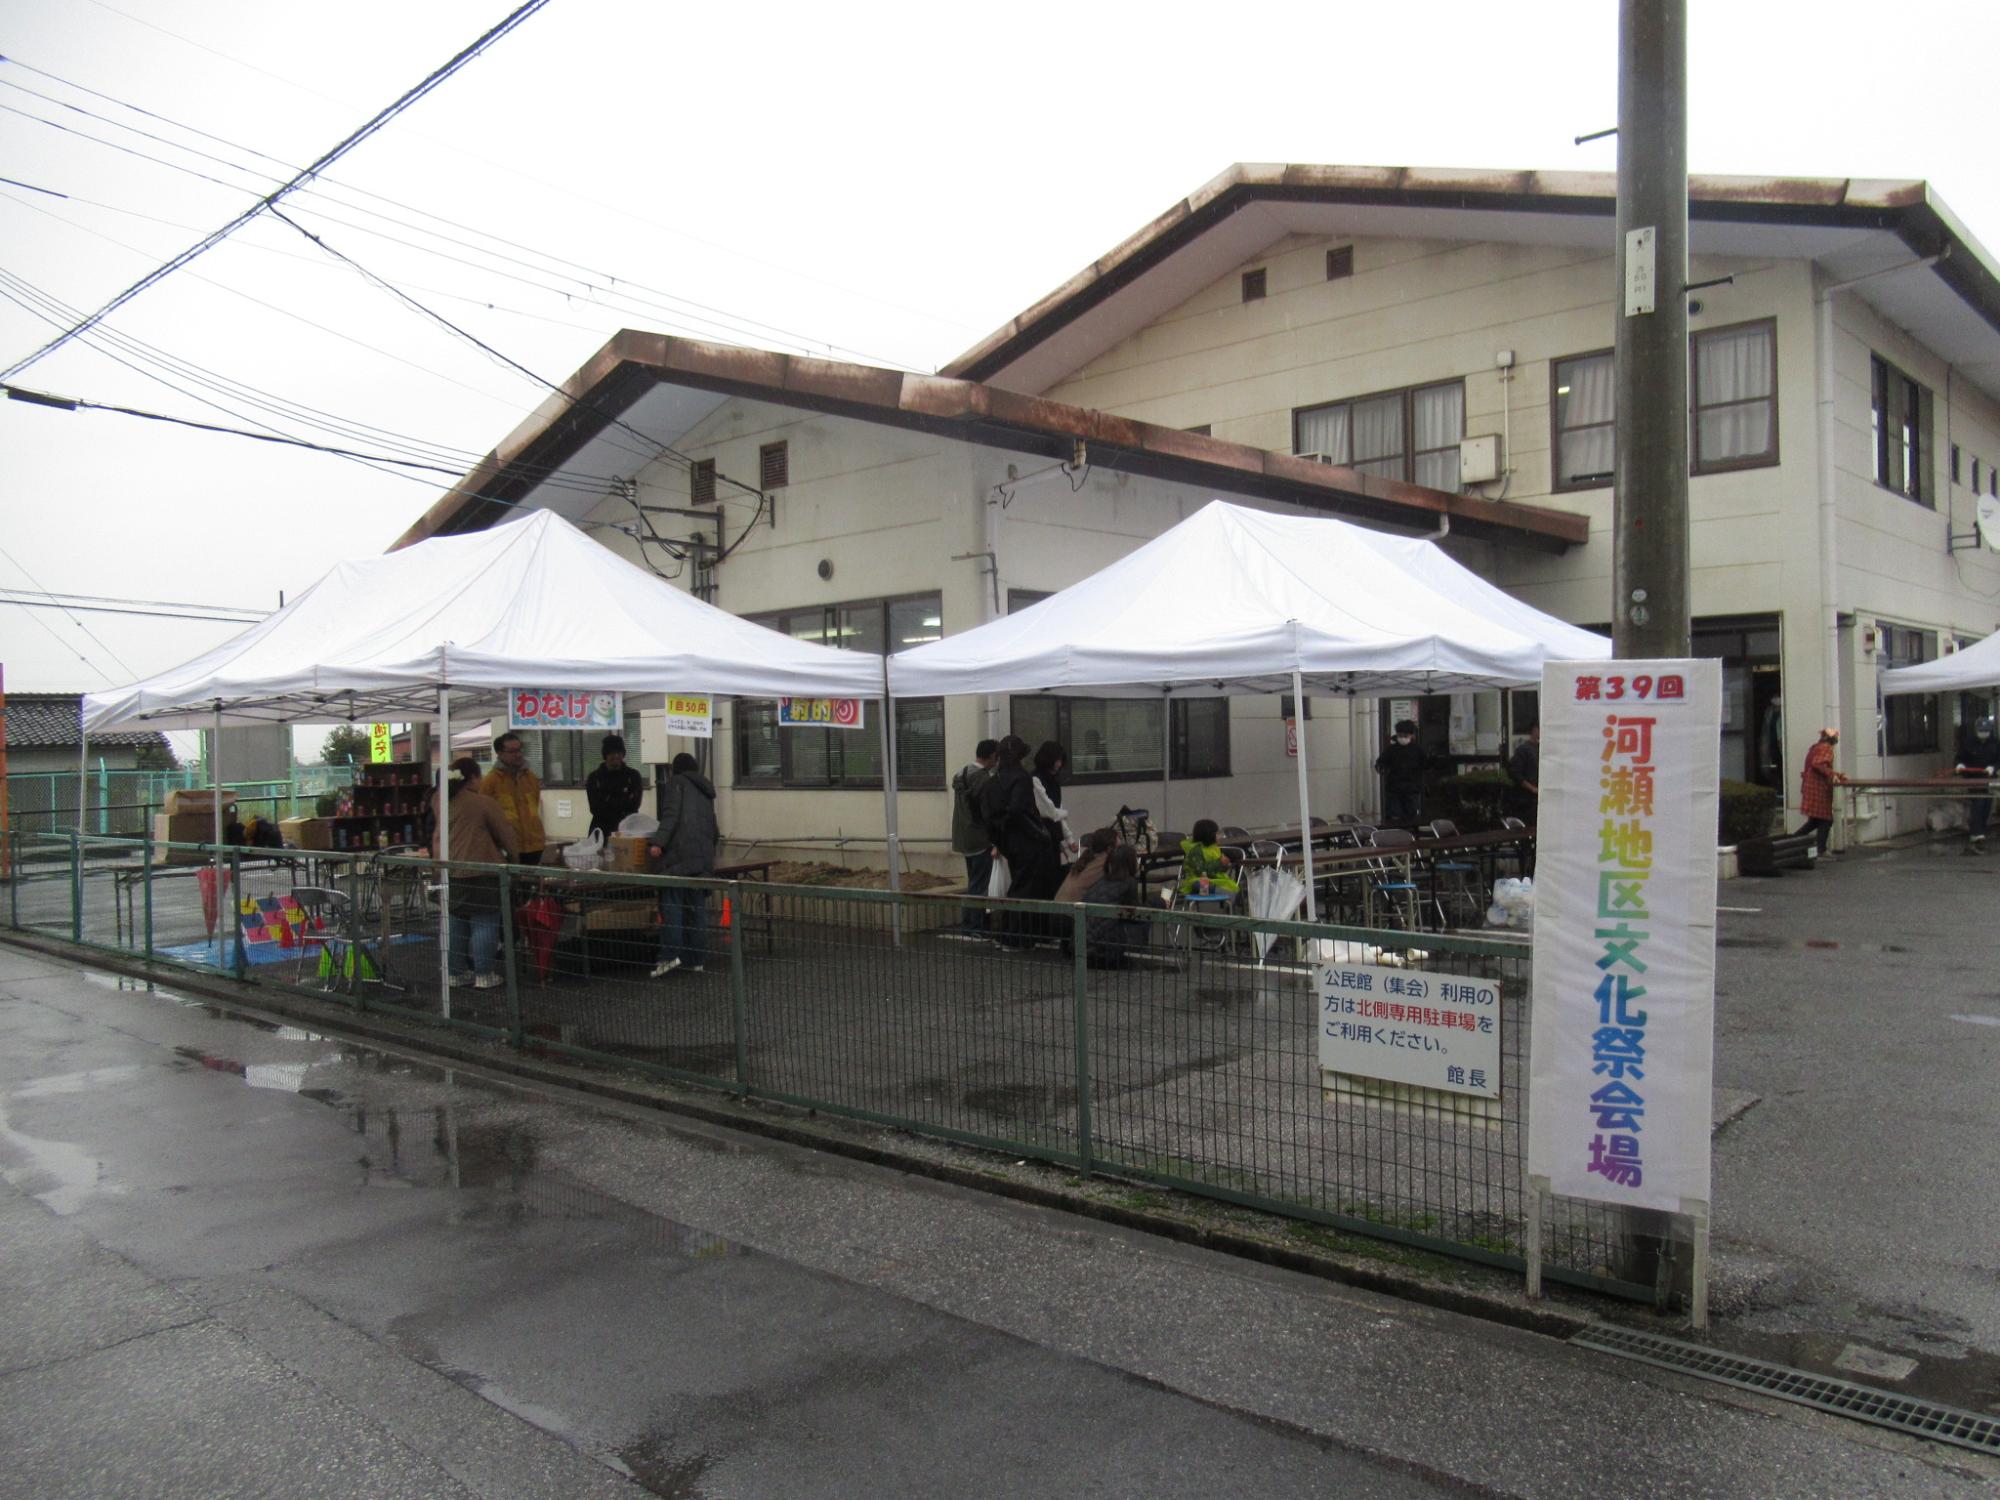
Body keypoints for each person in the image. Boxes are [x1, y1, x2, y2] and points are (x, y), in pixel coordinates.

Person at [438, 757, 518, 989]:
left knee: (457, 922)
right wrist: (515, 862)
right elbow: (507, 837)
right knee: (485, 922)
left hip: (452, 870)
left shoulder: (445, 802)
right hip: (483, 870)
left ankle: (455, 973)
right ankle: (484, 974)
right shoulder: (483, 803)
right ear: (473, 778)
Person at [979, 736, 1055, 947]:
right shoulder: (1021, 778)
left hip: (1007, 842)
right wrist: (1037, 833)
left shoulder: (992, 782)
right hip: (1027, 841)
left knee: (1019, 885)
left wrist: (999, 839)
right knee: (1025, 889)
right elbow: (1019, 809)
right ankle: (1015, 936)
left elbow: (986, 815)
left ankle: (1011, 934)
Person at [648, 752, 719, 976]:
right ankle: (697, 959)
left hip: (679, 857)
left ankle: (669, 957)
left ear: (675, 769)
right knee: (696, 909)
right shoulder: (705, 790)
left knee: (672, 907)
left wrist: (658, 843)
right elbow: (714, 828)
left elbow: (671, 816)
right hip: (702, 858)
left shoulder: (676, 784)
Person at [951, 738, 1000, 935]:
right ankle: (974, 927)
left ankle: (969, 924)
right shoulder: (983, 779)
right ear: (992, 756)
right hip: (980, 838)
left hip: (964, 836)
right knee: (979, 885)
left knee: (973, 882)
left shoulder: (961, 773)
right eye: (997, 757)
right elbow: (988, 812)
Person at [480, 733, 546, 866]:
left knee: (530, 884)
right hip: (508, 846)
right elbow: (484, 814)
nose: (519, 754)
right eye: (512, 751)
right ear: (499, 753)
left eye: (520, 749)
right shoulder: (491, 781)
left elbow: (535, 804)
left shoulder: (531, 778)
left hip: (535, 844)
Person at [1083, 844, 1146, 968]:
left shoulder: (1100, 882)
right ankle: (1140, 948)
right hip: (1106, 952)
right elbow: (1134, 915)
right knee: (1146, 917)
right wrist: (1157, 904)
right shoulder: (1129, 883)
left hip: (1082, 949)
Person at [585, 734, 647, 838]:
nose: (616, 756)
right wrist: (623, 799)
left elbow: (634, 805)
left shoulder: (633, 776)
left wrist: (608, 800)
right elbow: (595, 808)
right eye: (612, 753)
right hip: (601, 832)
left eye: (619, 752)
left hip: (627, 830)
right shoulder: (594, 778)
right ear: (605, 755)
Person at [1953, 715, 1999, 854]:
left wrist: (1993, 767)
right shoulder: (1969, 743)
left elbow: (1999, 759)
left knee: (1986, 805)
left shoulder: (1995, 743)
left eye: (1986, 731)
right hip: (1973, 778)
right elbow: (1960, 758)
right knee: (1978, 803)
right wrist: (1959, 765)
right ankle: (1976, 835)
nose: (1983, 734)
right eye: (1981, 731)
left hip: (1989, 778)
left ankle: (1980, 833)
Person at [1795, 726, 1842, 857]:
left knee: (1816, 821)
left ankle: (1794, 839)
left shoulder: (1815, 747)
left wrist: (1835, 774)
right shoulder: (1826, 748)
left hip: (1809, 786)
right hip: (1818, 788)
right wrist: (1832, 775)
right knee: (1826, 820)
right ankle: (1821, 850)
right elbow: (1818, 764)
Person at [1374, 719, 1428, 825]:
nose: (1402, 738)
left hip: (1412, 789)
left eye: (1405, 735)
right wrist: (1381, 768)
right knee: (1394, 816)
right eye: (1400, 735)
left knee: (1411, 817)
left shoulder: (1417, 750)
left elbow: (1425, 765)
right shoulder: (1391, 749)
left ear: (1411, 735)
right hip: (1394, 789)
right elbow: (1381, 762)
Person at [1176, 819, 1240, 897]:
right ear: (1209, 835)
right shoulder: (1195, 850)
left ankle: (1223, 899)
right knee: (1198, 885)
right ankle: (1217, 892)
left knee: (1233, 889)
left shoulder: (1214, 848)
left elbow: (1218, 870)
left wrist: (1225, 865)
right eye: (1217, 834)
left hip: (1215, 880)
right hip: (1198, 880)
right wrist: (1219, 863)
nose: (1219, 836)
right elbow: (1201, 871)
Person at [1055, 826, 1117, 905]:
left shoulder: (1087, 856)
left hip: (1058, 906)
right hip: (1072, 912)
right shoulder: (1106, 860)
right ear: (1109, 848)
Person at [1504, 724, 1541, 825]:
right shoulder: (1524, 750)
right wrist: (1532, 788)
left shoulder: (1541, 749)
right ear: (1534, 730)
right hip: (1526, 799)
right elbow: (1515, 773)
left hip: (1538, 798)